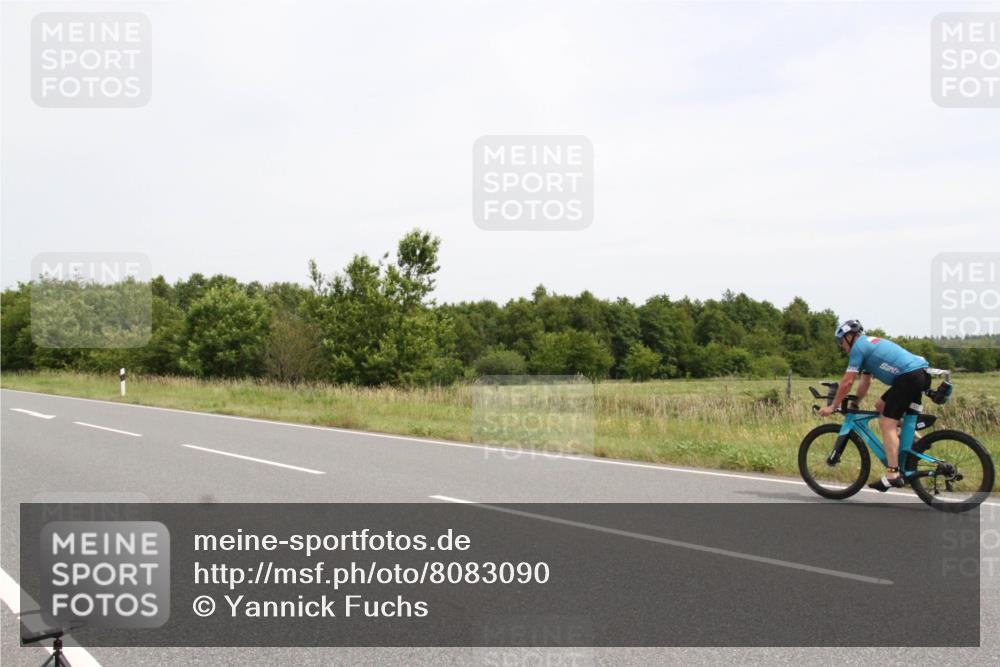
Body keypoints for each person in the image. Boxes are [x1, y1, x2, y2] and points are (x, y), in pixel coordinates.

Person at [817, 320, 930, 491]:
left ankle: (893, 474)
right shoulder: (868, 346)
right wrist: (856, 402)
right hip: (917, 375)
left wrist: (833, 406)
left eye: (841, 342)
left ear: (849, 336)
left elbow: (848, 381)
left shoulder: (858, 348)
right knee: (881, 406)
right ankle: (917, 440)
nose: (841, 346)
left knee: (886, 423)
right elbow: (866, 381)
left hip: (908, 378)